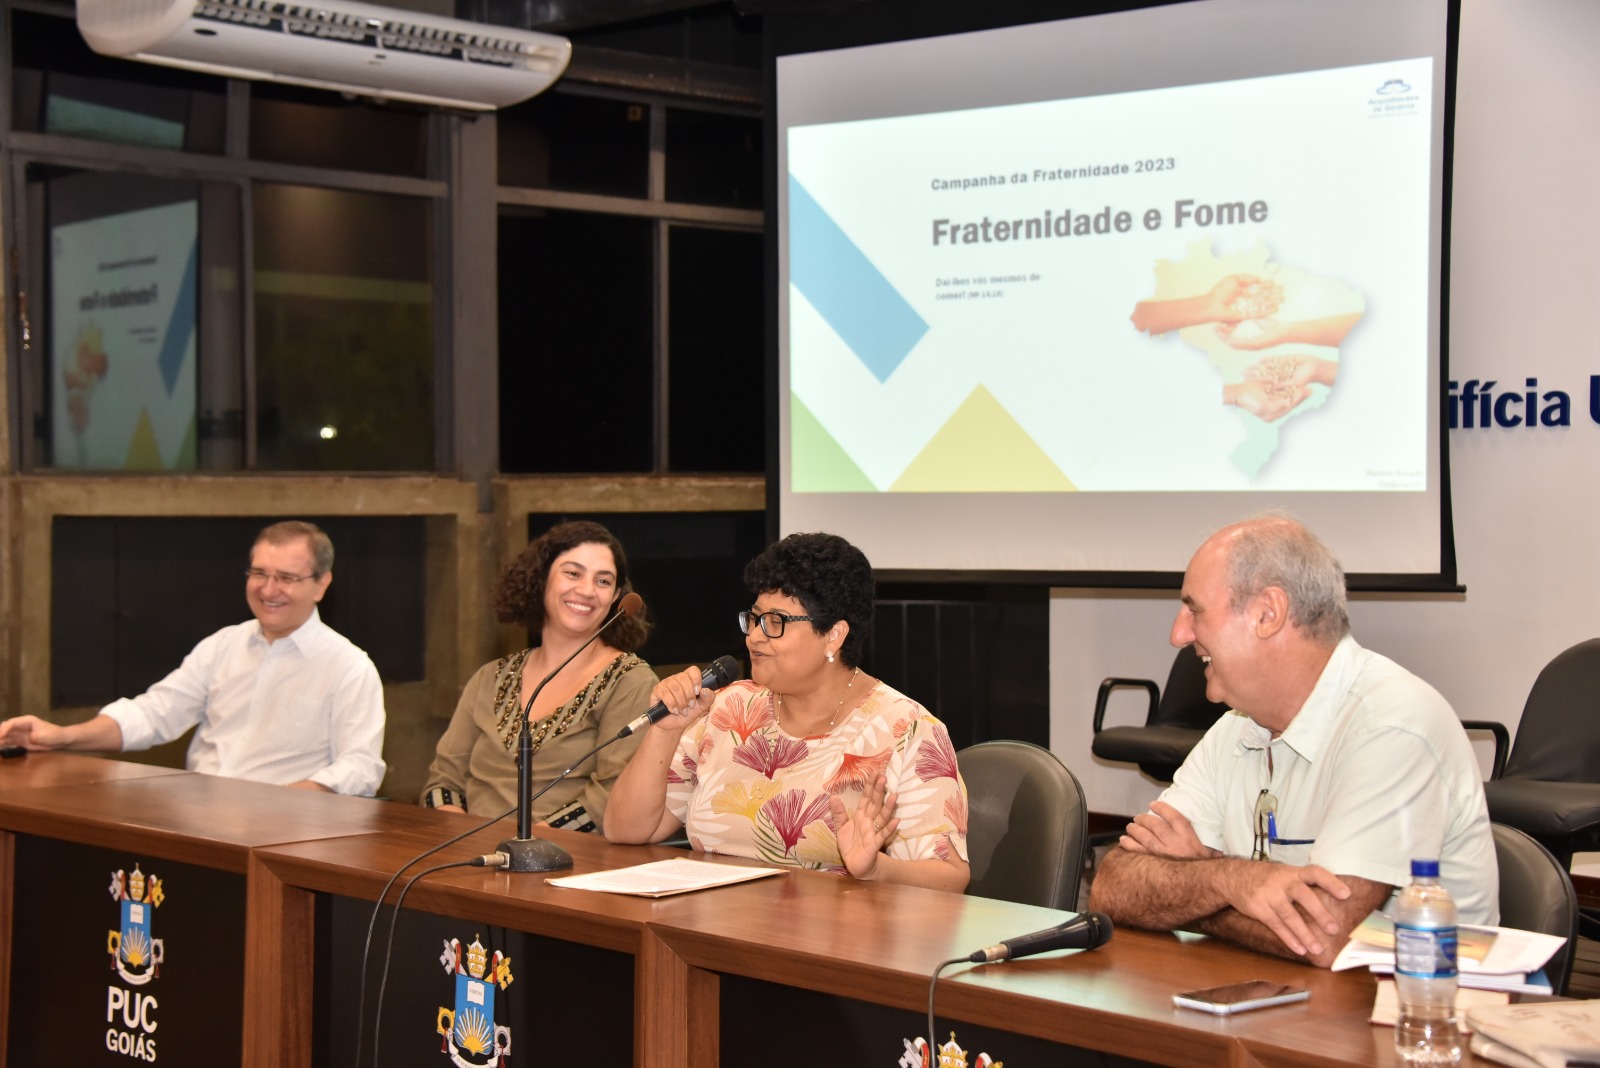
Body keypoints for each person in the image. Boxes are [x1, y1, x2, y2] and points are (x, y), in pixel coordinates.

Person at [1088, 515, 1497, 967]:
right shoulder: (1236, 727)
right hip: (1284, 997)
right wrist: (1230, 881)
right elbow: (1113, 887)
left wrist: (1197, 889)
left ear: (1268, 612)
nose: (1179, 634)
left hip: (1422, 1018)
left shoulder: (1392, 724)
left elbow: (1324, 935)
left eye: (1195, 610)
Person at [605, 532, 970, 891]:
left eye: (775, 622)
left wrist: (876, 870)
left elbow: (949, 877)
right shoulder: (729, 709)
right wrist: (665, 731)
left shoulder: (906, 728)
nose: (754, 637)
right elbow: (628, 831)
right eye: (755, 618)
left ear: (834, 635)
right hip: (708, 929)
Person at [0, 521, 386, 795]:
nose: (269, 590)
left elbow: (360, 767)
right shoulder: (223, 646)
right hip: (201, 826)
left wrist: (284, 802)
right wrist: (60, 737)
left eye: (286, 578)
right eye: (258, 573)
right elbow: (154, 714)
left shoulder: (348, 667)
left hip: (288, 840)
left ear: (322, 584)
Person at [420, 521, 656, 831]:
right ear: (540, 579)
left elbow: (611, 794)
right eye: (573, 573)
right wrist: (459, 841)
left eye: (603, 581)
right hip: (467, 856)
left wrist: (524, 852)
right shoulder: (490, 677)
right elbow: (442, 782)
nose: (586, 590)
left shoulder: (630, 681)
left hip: (568, 862)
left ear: (615, 597)